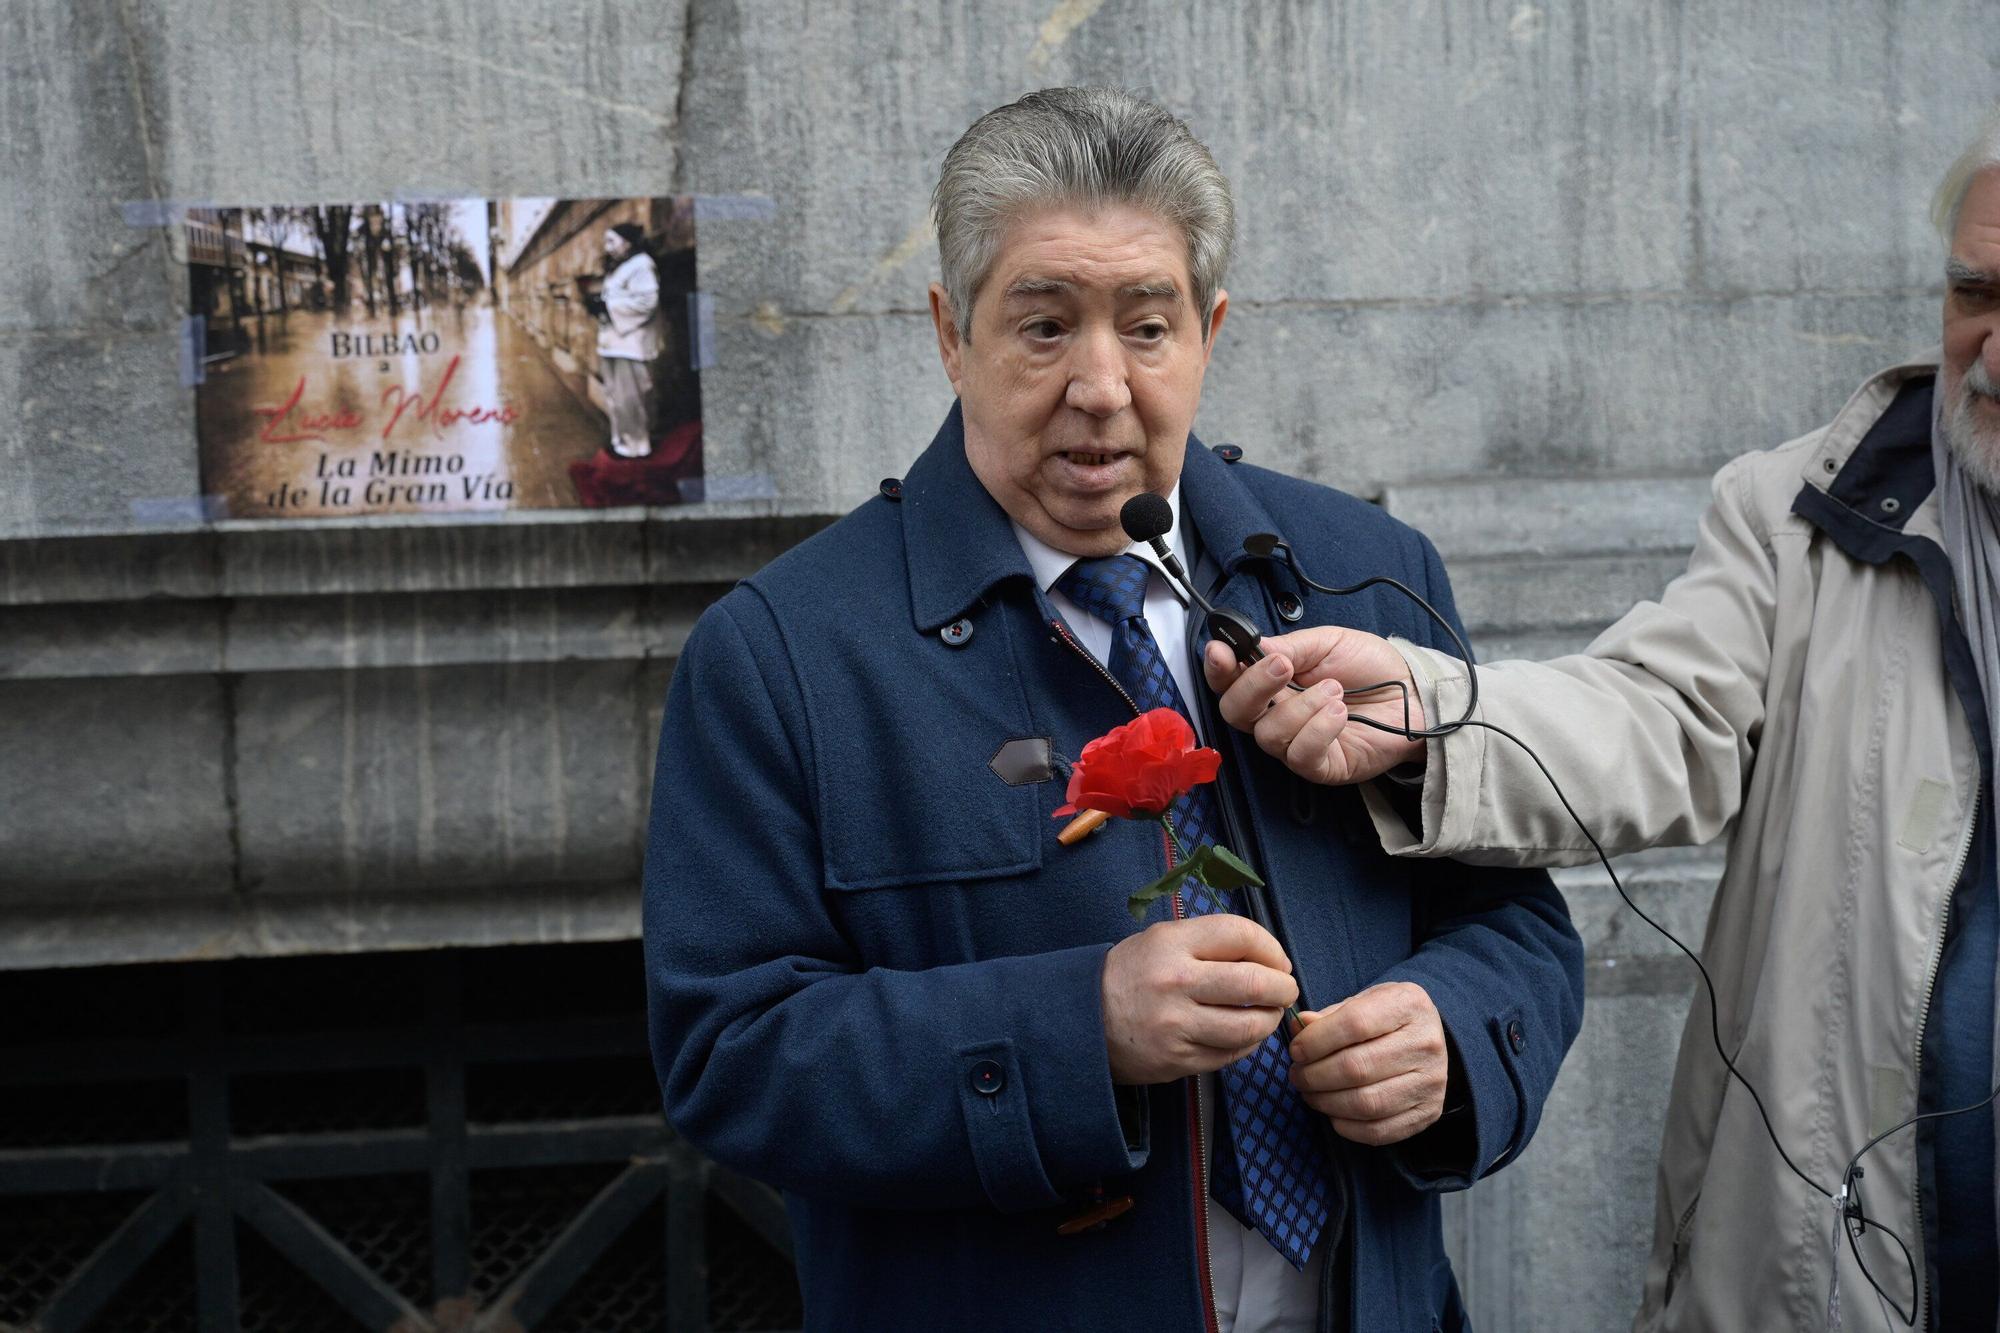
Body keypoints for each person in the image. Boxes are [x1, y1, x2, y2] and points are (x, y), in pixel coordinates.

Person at [644, 87, 1583, 1333]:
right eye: (1043, 327)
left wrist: (1452, 1032)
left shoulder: (1370, 572)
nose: (1100, 386)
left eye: (1147, 328)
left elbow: (1513, 918)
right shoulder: (781, 655)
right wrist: (1073, 1028)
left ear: (1209, 330)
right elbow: (730, 1057)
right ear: (948, 331)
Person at [1203, 113, 2000, 1333]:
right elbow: (1653, 714)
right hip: (1840, 1268)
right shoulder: (1806, 516)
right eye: (1972, 292)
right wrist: (1432, 713)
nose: (1990, 347)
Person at [590, 221, 662, 458]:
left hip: (630, 344)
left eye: (612, 241)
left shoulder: (641, 265)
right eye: (605, 241)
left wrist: (608, 307)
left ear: (627, 242)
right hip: (612, 343)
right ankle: (620, 441)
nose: (607, 247)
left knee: (630, 398)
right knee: (615, 397)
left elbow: (646, 303)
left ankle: (636, 447)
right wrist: (597, 306)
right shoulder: (619, 268)